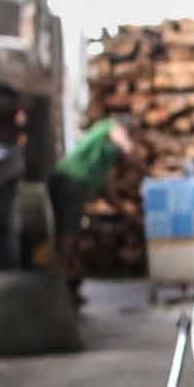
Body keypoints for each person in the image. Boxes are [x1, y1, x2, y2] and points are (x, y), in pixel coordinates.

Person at [46, 115, 134, 279]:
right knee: (68, 230)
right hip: (70, 181)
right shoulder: (106, 128)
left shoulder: (108, 151)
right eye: (127, 133)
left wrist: (121, 207)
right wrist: (128, 145)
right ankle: (59, 275)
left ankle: (66, 274)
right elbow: (115, 132)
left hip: (69, 181)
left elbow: (107, 186)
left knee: (67, 229)